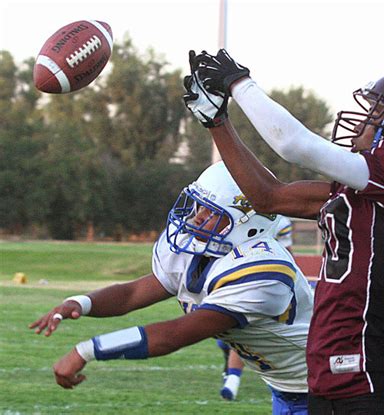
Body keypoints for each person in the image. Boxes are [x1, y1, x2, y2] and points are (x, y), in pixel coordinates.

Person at [182, 49, 384, 414]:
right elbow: (269, 197)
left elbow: (295, 145)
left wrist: (239, 83)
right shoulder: (370, 189)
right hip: (328, 382)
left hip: (371, 383)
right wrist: (217, 122)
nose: (362, 121)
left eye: (375, 113)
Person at [29, 161, 313, 415]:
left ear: (247, 222)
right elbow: (132, 293)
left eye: (211, 211)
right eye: (199, 206)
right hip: (290, 387)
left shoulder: (264, 270)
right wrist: (80, 303)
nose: (198, 216)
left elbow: (175, 335)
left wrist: (87, 350)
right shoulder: (201, 249)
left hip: (332, 387)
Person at [217, 215, 294, 401]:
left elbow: (287, 252)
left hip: (262, 279)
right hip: (242, 276)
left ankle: (232, 379)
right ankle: (233, 378)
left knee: (242, 331)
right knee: (235, 332)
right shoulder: (239, 216)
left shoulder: (280, 222)